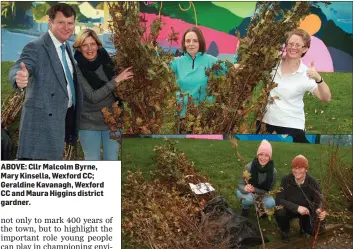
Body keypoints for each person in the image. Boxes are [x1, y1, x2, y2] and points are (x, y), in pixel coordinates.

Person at [8, 3, 81, 160]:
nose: (66, 27)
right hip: (40, 130)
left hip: (61, 122)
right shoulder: (37, 46)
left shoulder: (66, 47)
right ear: (51, 22)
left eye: (70, 23)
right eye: (61, 22)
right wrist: (18, 78)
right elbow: (18, 68)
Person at [258, 29, 331, 143]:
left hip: (291, 125)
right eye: (291, 44)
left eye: (298, 45)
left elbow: (325, 97)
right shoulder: (272, 64)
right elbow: (250, 70)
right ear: (286, 45)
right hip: (266, 121)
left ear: (305, 48)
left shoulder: (306, 73)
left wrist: (318, 78)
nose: (293, 47)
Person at [73, 29, 133, 160]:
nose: (89, 49)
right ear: (79, 48)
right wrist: (116, 81)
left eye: (92, 44)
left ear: (98, 45)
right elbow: (93, 97)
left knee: (111, 161)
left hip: (112, 120)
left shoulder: (109, 62)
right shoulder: (77, 70)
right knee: (92, 163)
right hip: (89, 123)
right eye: (85, 45)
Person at [170, 26, 226, 117]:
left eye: (195, 41)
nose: (191, 44)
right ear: (184, 43)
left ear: (200, 42)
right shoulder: (176, 62)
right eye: (188, 41)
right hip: (183, 114)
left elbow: (230, 69)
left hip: (204, 114)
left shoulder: (210, 61)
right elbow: (158, 67)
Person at [275, 155, 327, 243]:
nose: (297, 171)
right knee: (280, 210)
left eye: (300, 168)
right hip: (289, 209)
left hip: (306, 211)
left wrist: (319, 209)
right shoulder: (286, 180)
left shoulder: (313, 182)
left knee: (313, 231)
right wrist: (297, 207)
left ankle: (303, 228)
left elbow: (319, 199)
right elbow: (279, 199)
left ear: (306, 169)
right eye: (295, 168)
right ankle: (285, 231)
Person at [236, 140, 277, 217]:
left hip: (262, 193)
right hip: (248, 193)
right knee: (249, 199)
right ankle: (245, 208)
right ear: (257, 155)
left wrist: (255, 189)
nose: (263, 158)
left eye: (266, 155)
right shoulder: (249, 167)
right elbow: (240, 184)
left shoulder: (273, 172)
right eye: (261, 154)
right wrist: (245, 188)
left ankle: (261, 208)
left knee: (271, 203)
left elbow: (269, 190)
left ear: (270, 157)